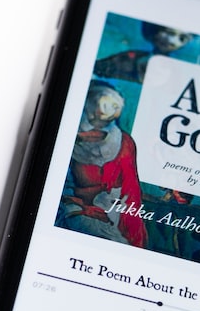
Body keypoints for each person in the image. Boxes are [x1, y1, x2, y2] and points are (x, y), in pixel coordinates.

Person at [59, 81, 147, 247]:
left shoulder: (124, 142)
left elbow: (130, 189)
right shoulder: (65, 134)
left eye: (115, 105)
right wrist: (78, 207)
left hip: (114, 211)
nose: (111, 109)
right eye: (105, 103)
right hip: (73, 207)